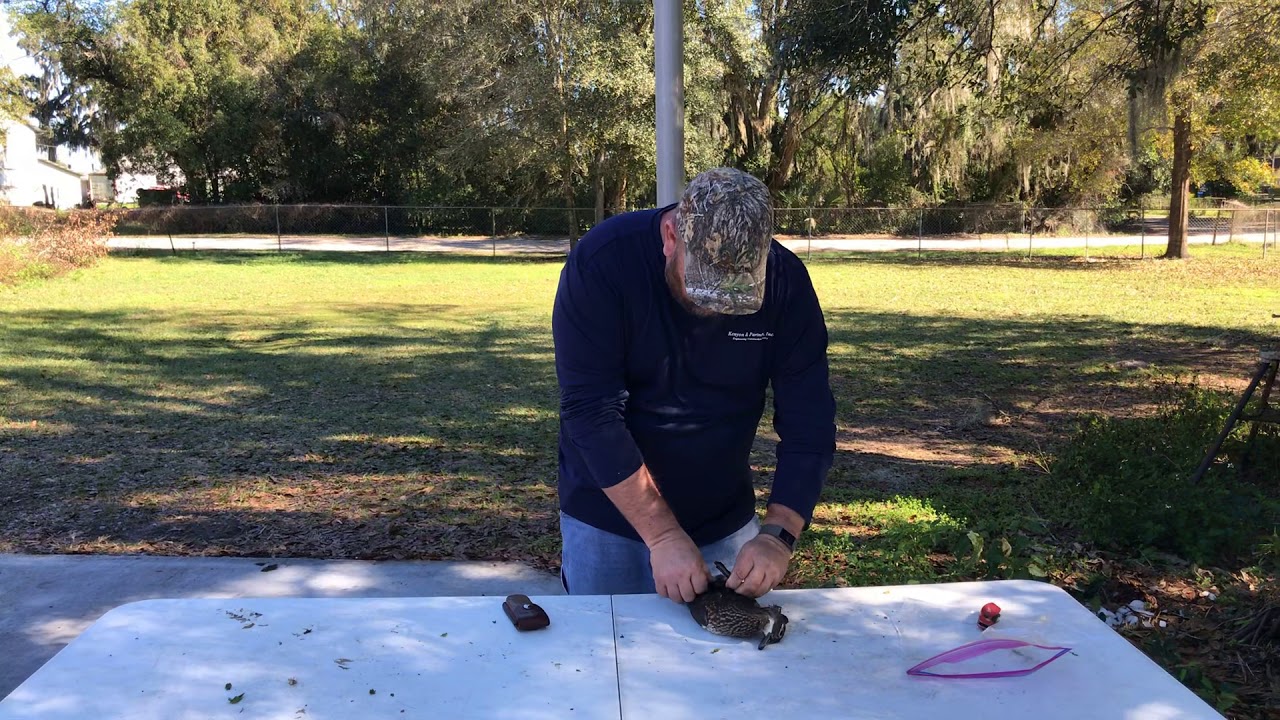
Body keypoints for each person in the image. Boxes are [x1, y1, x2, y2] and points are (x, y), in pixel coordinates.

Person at [551, 167, 836, 603]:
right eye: (702, 287)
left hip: (724, 520)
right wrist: (663, 536)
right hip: (607, 517)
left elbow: (810, 420)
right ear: (670, 235)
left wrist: (779, 534)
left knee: (719, 665)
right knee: (604, 662)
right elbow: (591, 413)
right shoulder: (604, 262)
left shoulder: (786, 282)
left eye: (735, 297)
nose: (716, 310)